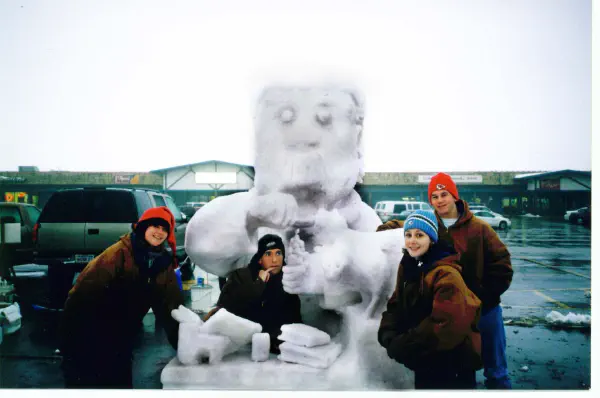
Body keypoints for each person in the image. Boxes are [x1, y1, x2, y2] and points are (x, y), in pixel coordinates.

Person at [59, 206, 184, 388]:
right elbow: (82, 294)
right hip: (90, 332)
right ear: (143, 227)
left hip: (122, 337)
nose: (159, 232)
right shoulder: (118, 253)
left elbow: (170, 306)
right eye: (155, 226)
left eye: (165, 229)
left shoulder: (163, 264)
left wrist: (185, 346)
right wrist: (68, 339)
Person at [378, 210, 482, 389]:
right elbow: (397, 303)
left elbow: (446, 324)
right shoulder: (411, 264)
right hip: (425, 359)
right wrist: (388, 332)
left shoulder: (446, 274)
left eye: (420, 235)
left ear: (432, 239)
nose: (412, 240)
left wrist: (404, 345)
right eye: (408, 235)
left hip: (451, 364)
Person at [428, 172, 514, 389]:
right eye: (435, 196)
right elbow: (402, 227)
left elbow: (502, 264)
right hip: (454, 313)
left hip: (486, 311)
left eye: (444, 194)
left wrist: (486, 296)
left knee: (496, 373)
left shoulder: (480, 228)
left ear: (455, 196)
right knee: (462, 373)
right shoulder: (430, 227)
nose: (440, 200)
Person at [206, 234, 302, 353]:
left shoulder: (288, 280)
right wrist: (259, 283)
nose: (275, 260)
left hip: (275, 350)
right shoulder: (241, 277)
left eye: (278, 253)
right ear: (260, 259)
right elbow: (225, 311)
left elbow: (294, 320)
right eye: (268, 254)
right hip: (239, 350)